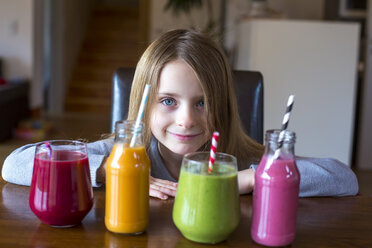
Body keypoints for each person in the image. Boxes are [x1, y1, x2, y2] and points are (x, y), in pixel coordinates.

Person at [2, 29, 358, 200]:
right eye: (168, 101)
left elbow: (343, 178)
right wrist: (107, 170)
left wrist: (249, 179)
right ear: (143, 105)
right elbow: (14, 165)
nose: (187, 120)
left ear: (224, 104)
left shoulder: (241, 159)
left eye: (202, 102)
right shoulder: (120, 156)